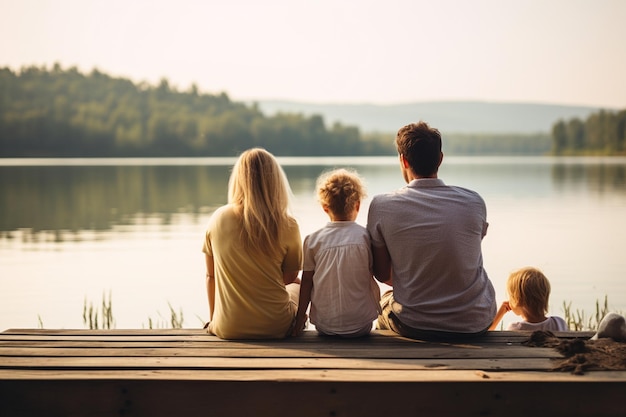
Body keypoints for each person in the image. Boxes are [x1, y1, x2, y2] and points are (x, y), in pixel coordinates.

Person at [367, 121, 497, 340]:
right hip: (474, 322)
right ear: (440, 159)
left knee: (385, 302)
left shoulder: (382, 205)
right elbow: (461, 259)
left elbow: (382, 274)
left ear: (403, 160)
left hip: (416, 324)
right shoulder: (474, 202)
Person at [202, 148, 302, 339]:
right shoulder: (288, 224)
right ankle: (299, 321)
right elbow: (288, 278)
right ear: (275, 181)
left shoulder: (218, 218)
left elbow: (211, 276)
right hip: (276, 328)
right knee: (298, 285)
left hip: (227, 329)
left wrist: (214, 320)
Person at [293, 169, 380, 338]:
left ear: (325, 208)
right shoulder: (366, 237)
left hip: (325, 326)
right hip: (361, 326)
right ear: (358, 205)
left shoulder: (312, 240)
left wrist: (299, 318)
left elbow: (306, 284)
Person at [490, 267, 568, 331]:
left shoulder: (515, 328)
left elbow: (486, 338)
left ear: (518, 300)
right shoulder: (558, 323)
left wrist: (500, 314)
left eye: (511, 296)